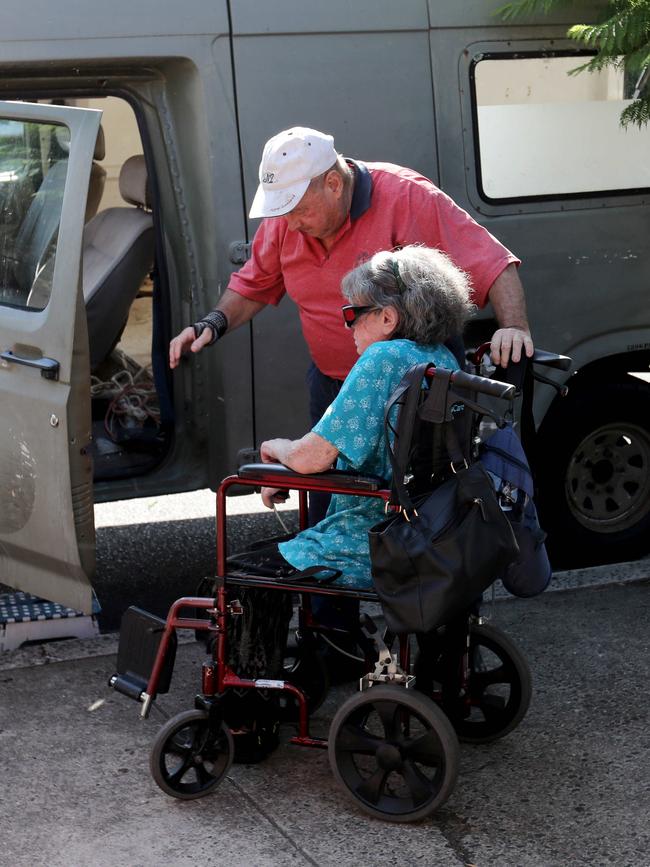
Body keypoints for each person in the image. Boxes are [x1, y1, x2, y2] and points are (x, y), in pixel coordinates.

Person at [169, 126, 534, 524]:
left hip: (416, 396)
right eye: (283, 211)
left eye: (299, 210)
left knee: (424, 516)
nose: (290, 224)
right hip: (334, 384)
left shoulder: (406, 196)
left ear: (333, 183)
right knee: (336, 508)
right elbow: (255, 282)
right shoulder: (287, 219)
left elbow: (493, 263)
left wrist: (513, 327)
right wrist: (214, 322)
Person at [222, 244, 474, 759]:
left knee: (244, 570)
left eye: (352, 314)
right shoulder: (440, 358)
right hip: (425, 530)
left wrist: (272, 453)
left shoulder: (384, 359)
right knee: (273, 552)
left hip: (367, 538)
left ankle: (248, 721)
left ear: (387, 316)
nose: (347, 327)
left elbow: (314, 457)